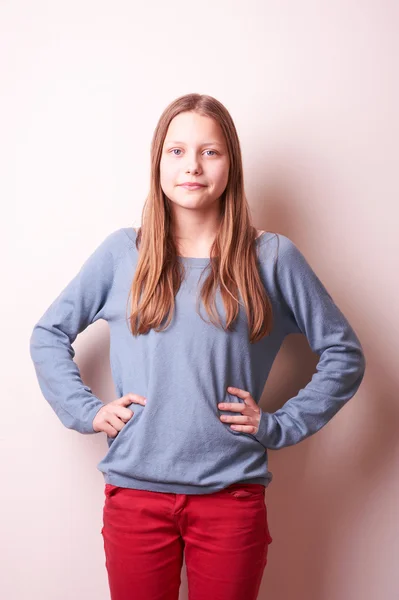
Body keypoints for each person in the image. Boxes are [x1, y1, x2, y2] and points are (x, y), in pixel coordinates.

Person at [29, 93, 366, 600]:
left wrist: (281, 424)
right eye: (177, 151)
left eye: (210, 152)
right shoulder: (126, 252)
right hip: (136, 493)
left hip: (231, 496)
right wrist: (88, 410)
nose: (192, 166)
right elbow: (48, 335)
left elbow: (344, 354)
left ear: (231, 163)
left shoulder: (271, 258)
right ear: (158, 163)